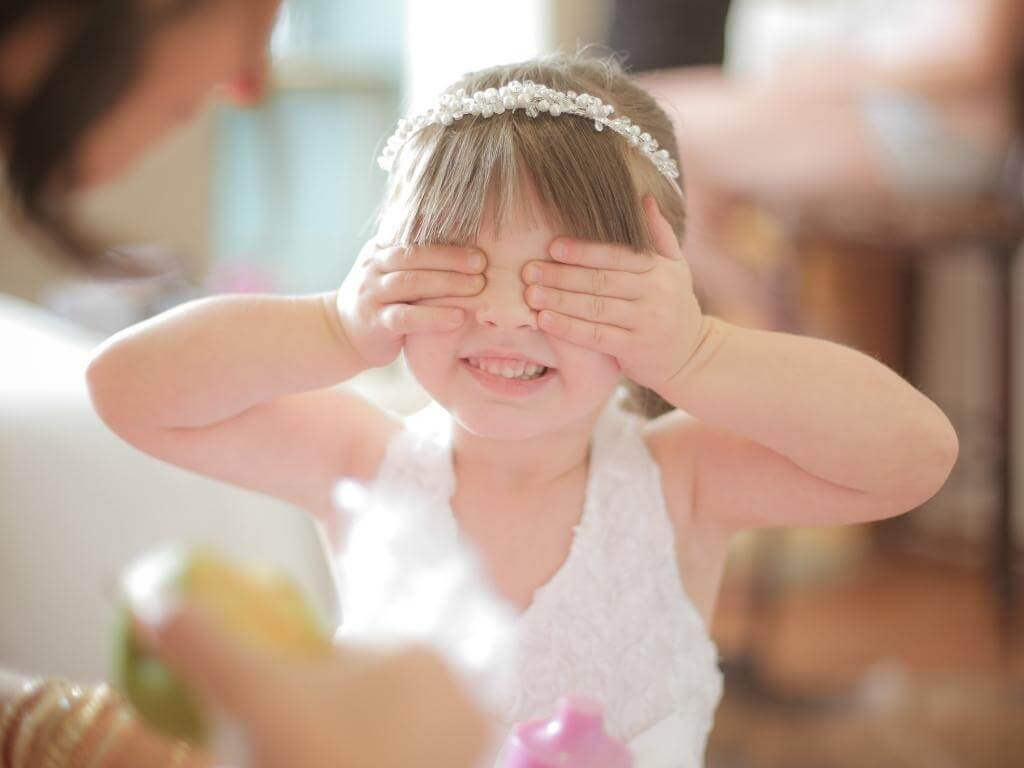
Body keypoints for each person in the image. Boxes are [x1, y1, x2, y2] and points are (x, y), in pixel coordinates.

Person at [86, 53, 959, 765]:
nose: (504, 314)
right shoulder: (365, 463)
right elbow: (125, 391)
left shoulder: (680, 480)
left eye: (567, 283)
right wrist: (332, 327)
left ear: (653, 299)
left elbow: (916, 457)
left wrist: (702, 354)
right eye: (456, 267)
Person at [0, 3, 490, 767]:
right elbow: (125, 388)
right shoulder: (380, 451)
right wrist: (333, 328)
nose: (250, 79)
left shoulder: (666, 468)